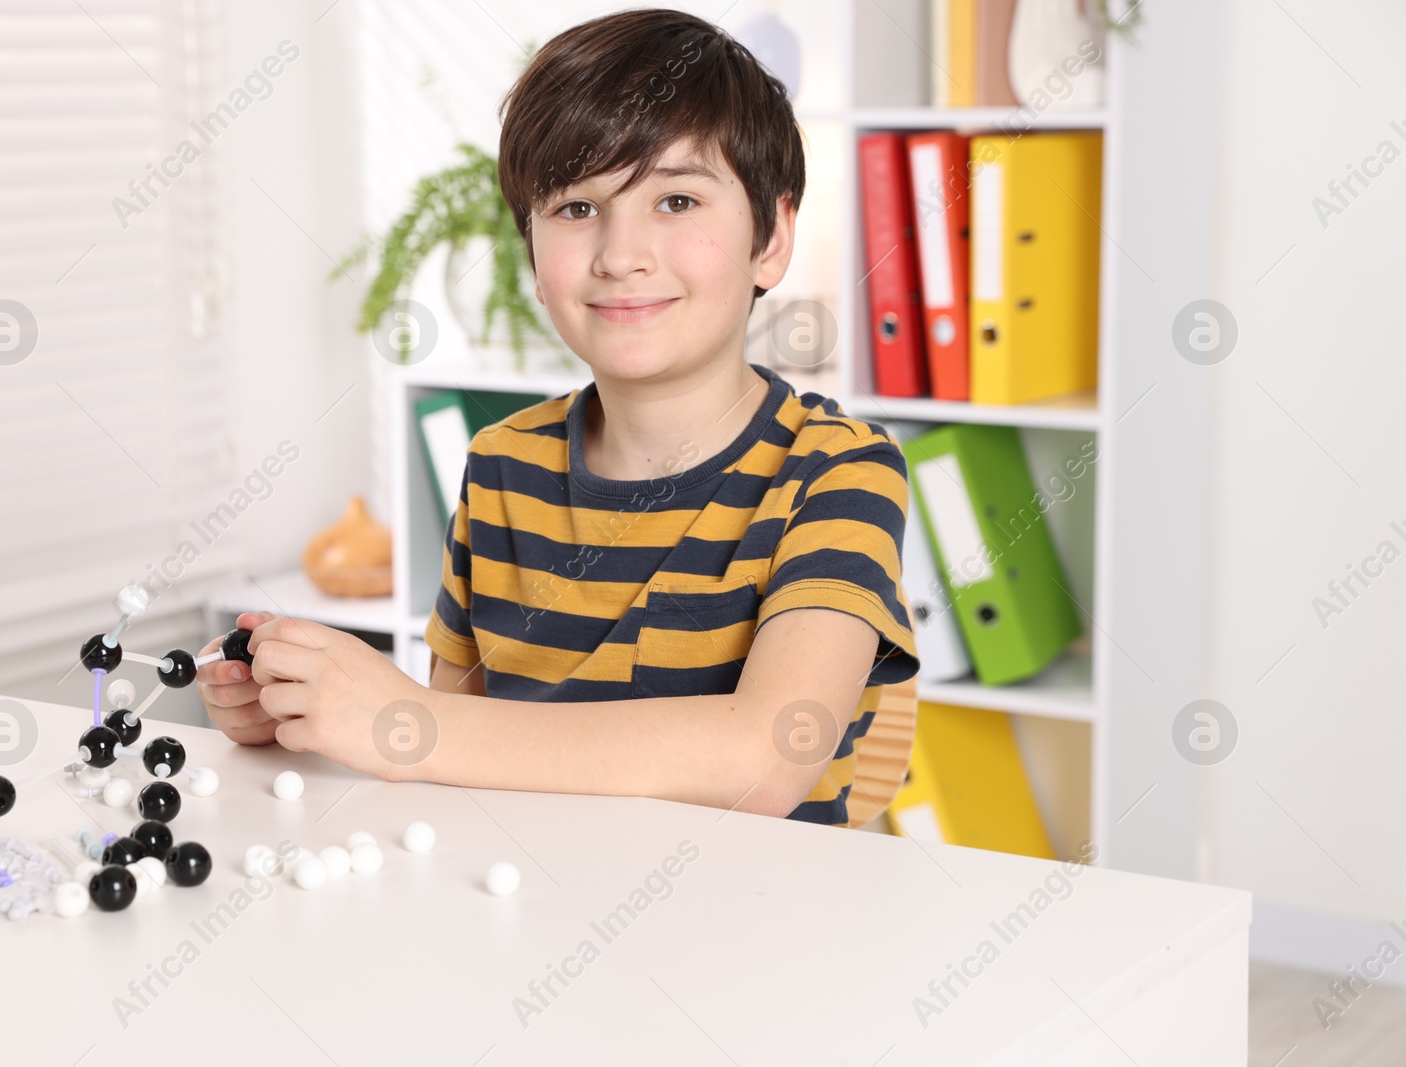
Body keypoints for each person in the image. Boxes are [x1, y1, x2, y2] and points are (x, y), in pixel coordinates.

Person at [198, 7, 920, 826]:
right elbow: (458, 754)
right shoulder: (503, 463)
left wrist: (402, 724)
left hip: (747, 931)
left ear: (772, 238)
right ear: (532, 257)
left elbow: (768, 757)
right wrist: (304, 711)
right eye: (577, 209)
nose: (620, 253)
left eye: (677, 200)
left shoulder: (838, 471)